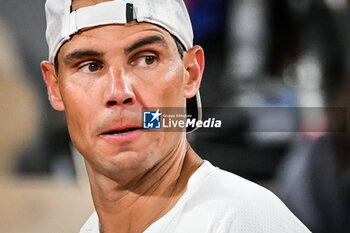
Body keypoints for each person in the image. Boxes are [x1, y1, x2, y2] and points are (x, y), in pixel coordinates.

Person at [41, 0, 310, 232]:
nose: (119, 92)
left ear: (191, 73)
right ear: (55, 87)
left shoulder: (244, 222)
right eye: (90, 66)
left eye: (147, 59)